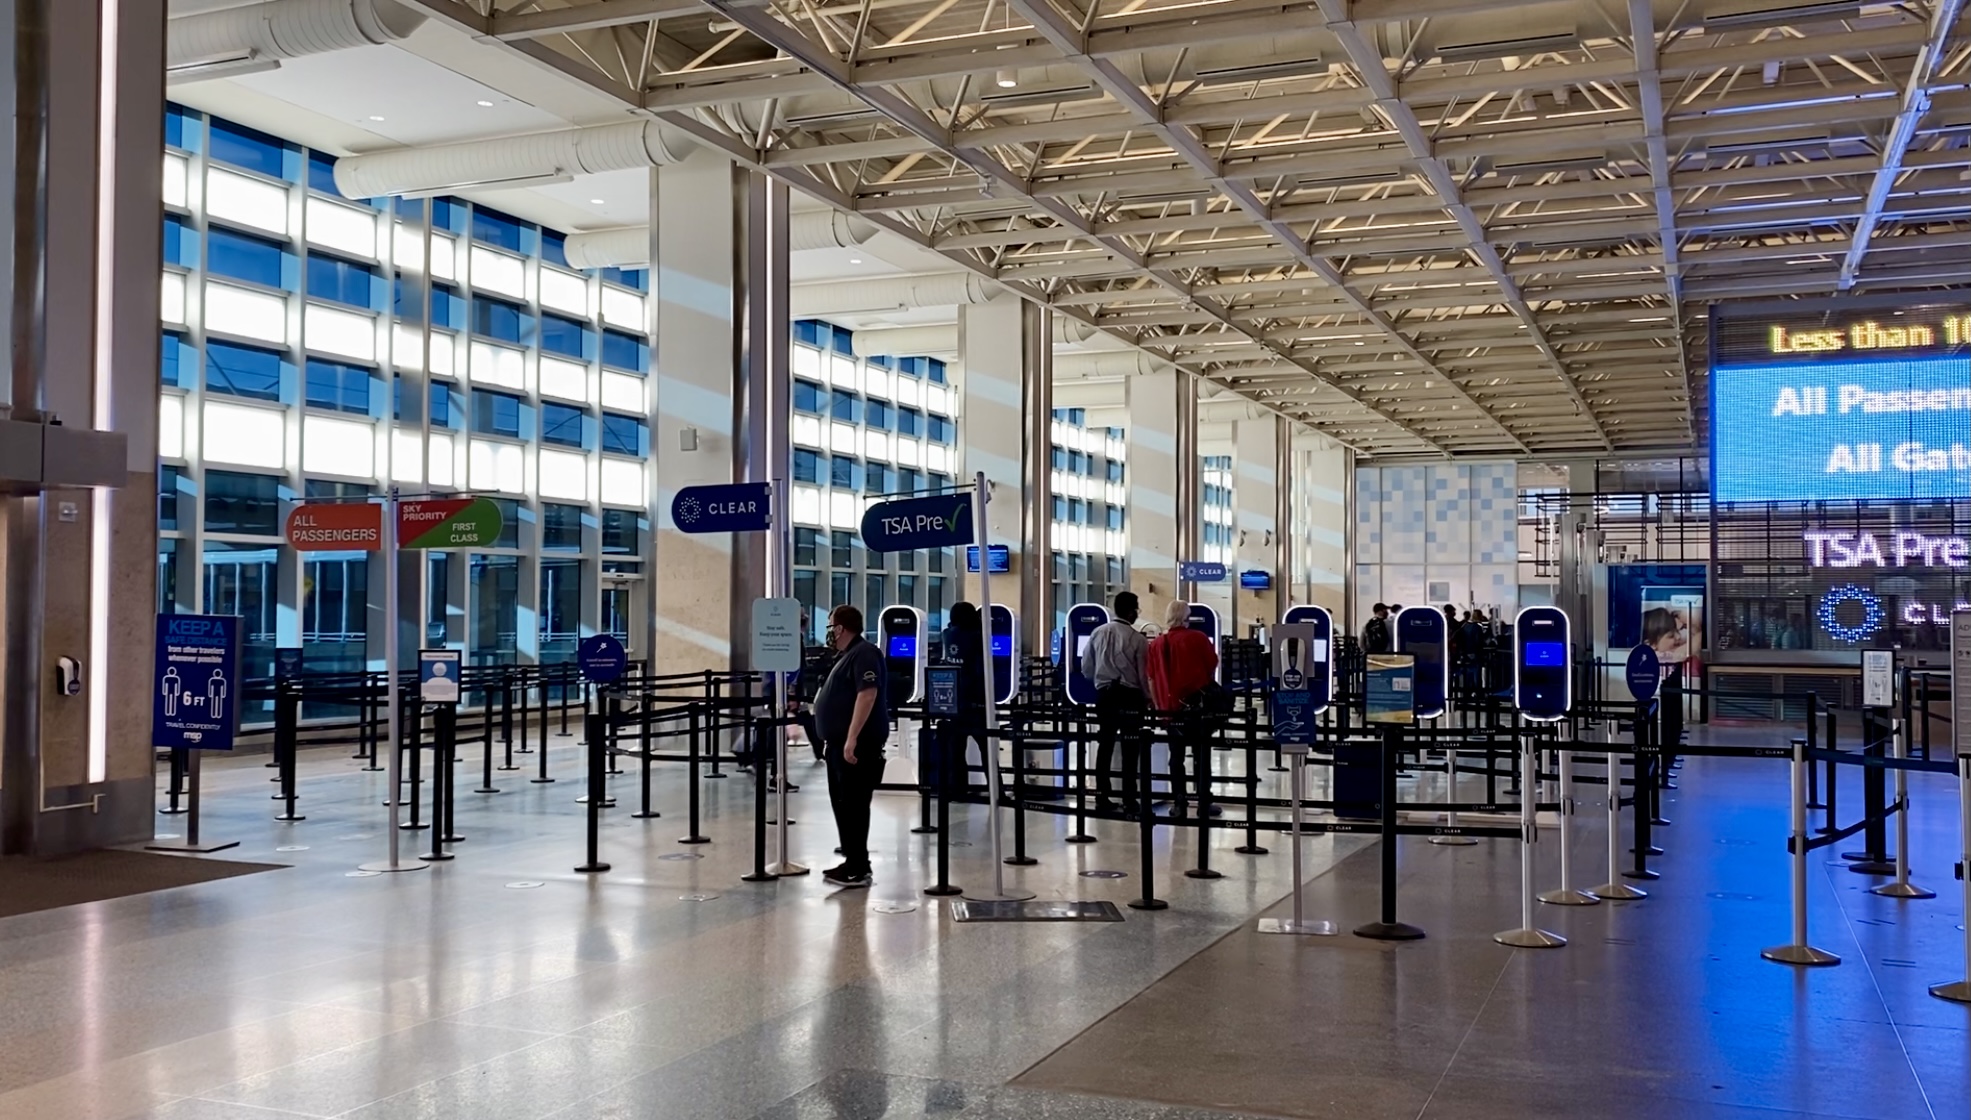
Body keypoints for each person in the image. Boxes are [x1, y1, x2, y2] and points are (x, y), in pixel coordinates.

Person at [805, 604, 889, 888]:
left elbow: (867, 695)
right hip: (839, 744)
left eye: (831, 626)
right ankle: (853, 860)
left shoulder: (864, 653)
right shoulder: (846, 655)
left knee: (853, 805)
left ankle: (858, 867)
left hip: (858, 745)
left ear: (840, 628)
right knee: (843, 804)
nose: (829, 632)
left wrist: (852, 738)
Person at [1147, 599, 1220, 818]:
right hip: (1196, 708)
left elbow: (1151, 678)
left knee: (1176, 758)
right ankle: (1203, 802)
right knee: (1201, 755)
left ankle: (1179, 804)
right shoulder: (1198, 638)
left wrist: (1159, 706)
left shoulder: (1158, 643)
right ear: (1186, 617)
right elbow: (1211, 665)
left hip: (1170, 710)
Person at [1082, 590, 1151, 816]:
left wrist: (1101, 682)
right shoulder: (1138, 639)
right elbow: (1142, 675)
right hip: (1130, 696)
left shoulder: (1097, 632)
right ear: (1131, 612)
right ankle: (1130, 798)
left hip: (1105, 695)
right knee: (1131, 748)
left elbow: (1086, 668)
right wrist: (1148, 697)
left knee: (1105, 745)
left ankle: (1102, 795)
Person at [937, 602, 987, 794]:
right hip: (976, 702)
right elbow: (981, 668)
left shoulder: (947, 634)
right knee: (987, 749)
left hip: (954, 701)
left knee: (956, 750)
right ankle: (996, 789)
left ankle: (958, 789)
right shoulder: (977, 636)